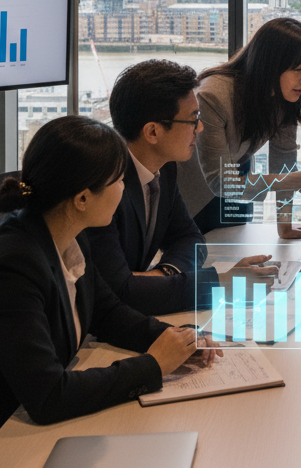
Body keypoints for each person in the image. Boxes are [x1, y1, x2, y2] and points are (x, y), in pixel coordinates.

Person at [0, 116, 216, 468]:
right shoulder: (11, 267)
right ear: (81, 198)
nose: (125, 190)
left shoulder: (68, 233)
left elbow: (107, 312)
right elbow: (48, 396)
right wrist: (153, 365)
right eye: (119, 181)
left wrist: (172, 339)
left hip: (11, 420)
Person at [88, 59, 278, 315]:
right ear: (153, 133)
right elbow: (119, 292)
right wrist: (220, 284)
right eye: (193, 120)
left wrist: (163, 274)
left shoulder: (164, 167)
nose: (200, 128)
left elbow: (189, 237)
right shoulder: (102, 185)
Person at [178, 17, 301, 236]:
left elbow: (284, 161)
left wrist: (285, 227)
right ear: (269, 64)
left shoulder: (286, 96)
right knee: (202, 261)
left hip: (236, 183)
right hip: (190, 195)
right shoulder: (213, 97)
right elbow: (218, 181)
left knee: (236, 252)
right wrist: (291, 180)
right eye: (298, 68)